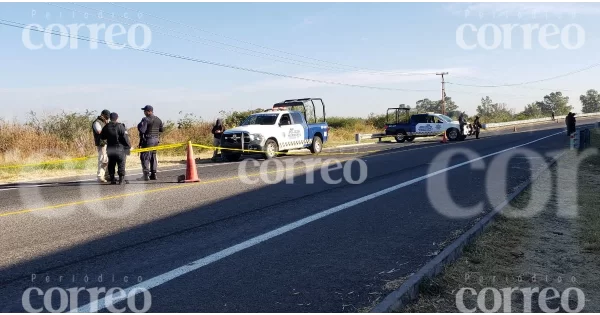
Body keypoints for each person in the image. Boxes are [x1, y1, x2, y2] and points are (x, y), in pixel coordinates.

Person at [100, 112, 132, 185]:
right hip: (120, 148)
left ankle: (112, 179)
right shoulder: (120, 126)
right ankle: (121, 180)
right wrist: (128, 146)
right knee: (121, 163)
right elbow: (125, 138)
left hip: (110, 148)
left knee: (111, 164)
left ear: (110, 118)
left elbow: (102, 137)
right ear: (117, 118)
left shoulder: (106, 126)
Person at [137, 105, 164, 181]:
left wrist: (140, 124)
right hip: (156, 140)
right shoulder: (158, 119)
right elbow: (161, 130)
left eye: (145, 111)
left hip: (148, 139)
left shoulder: (146, 119)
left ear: (149, 111)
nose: (144, 112)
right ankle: (154, 174)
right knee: (153, 156)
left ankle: (146, 175)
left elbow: (142, 130)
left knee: (145, 156)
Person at [92, 109, 111, 183]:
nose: (107, 118)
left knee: (107, 160)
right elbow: (99, 131)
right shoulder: (97, 122)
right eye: (106, 116)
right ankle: (100, 176)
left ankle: (106, 175)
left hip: (107, 143)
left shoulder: (105, 122)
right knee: (103, 159)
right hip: (102, 143)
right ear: (102, 115)